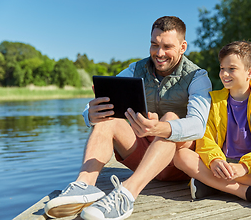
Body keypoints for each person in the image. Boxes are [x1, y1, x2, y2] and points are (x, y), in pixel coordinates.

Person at [44, 16, 212, 219]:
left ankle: (125, 195)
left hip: (178, 163)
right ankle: (84, 185)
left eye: (167, 46)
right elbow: (96, 101)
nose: (159, 53)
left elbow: (198, 125)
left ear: (183, 46)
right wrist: (90, 113)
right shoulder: (135, 69)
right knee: (108, 118)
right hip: (142, 155)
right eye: (154, 45)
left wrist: (159, 128)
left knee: (170, 117)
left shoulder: (197, 77)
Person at [173, 41, 251, 208]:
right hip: (222, 163)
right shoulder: (214, 102)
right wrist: (214, 161)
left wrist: (245, 166)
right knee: (181, 156)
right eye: (222, 68)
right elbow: (205, 138)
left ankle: (214, 185)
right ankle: (247, 192)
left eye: (231, 69)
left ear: (250, 72)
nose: (224, 74)